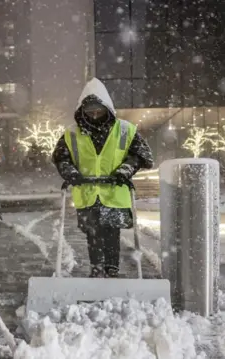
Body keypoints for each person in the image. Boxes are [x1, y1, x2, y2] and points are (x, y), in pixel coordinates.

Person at [52, 78, 154, 278]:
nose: (95, 114)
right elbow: (61, 158)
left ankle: (112, 268)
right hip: (87, 192)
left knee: (111, 232)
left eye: (99, 110)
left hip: (114, 192)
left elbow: (143, 156)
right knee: (93, 233)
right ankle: (97, 268)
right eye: (90, 111)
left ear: (107, 108)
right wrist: (71, 173)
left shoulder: (125, 130)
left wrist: (125, 170)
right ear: (83, 111)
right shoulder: (71, 133)